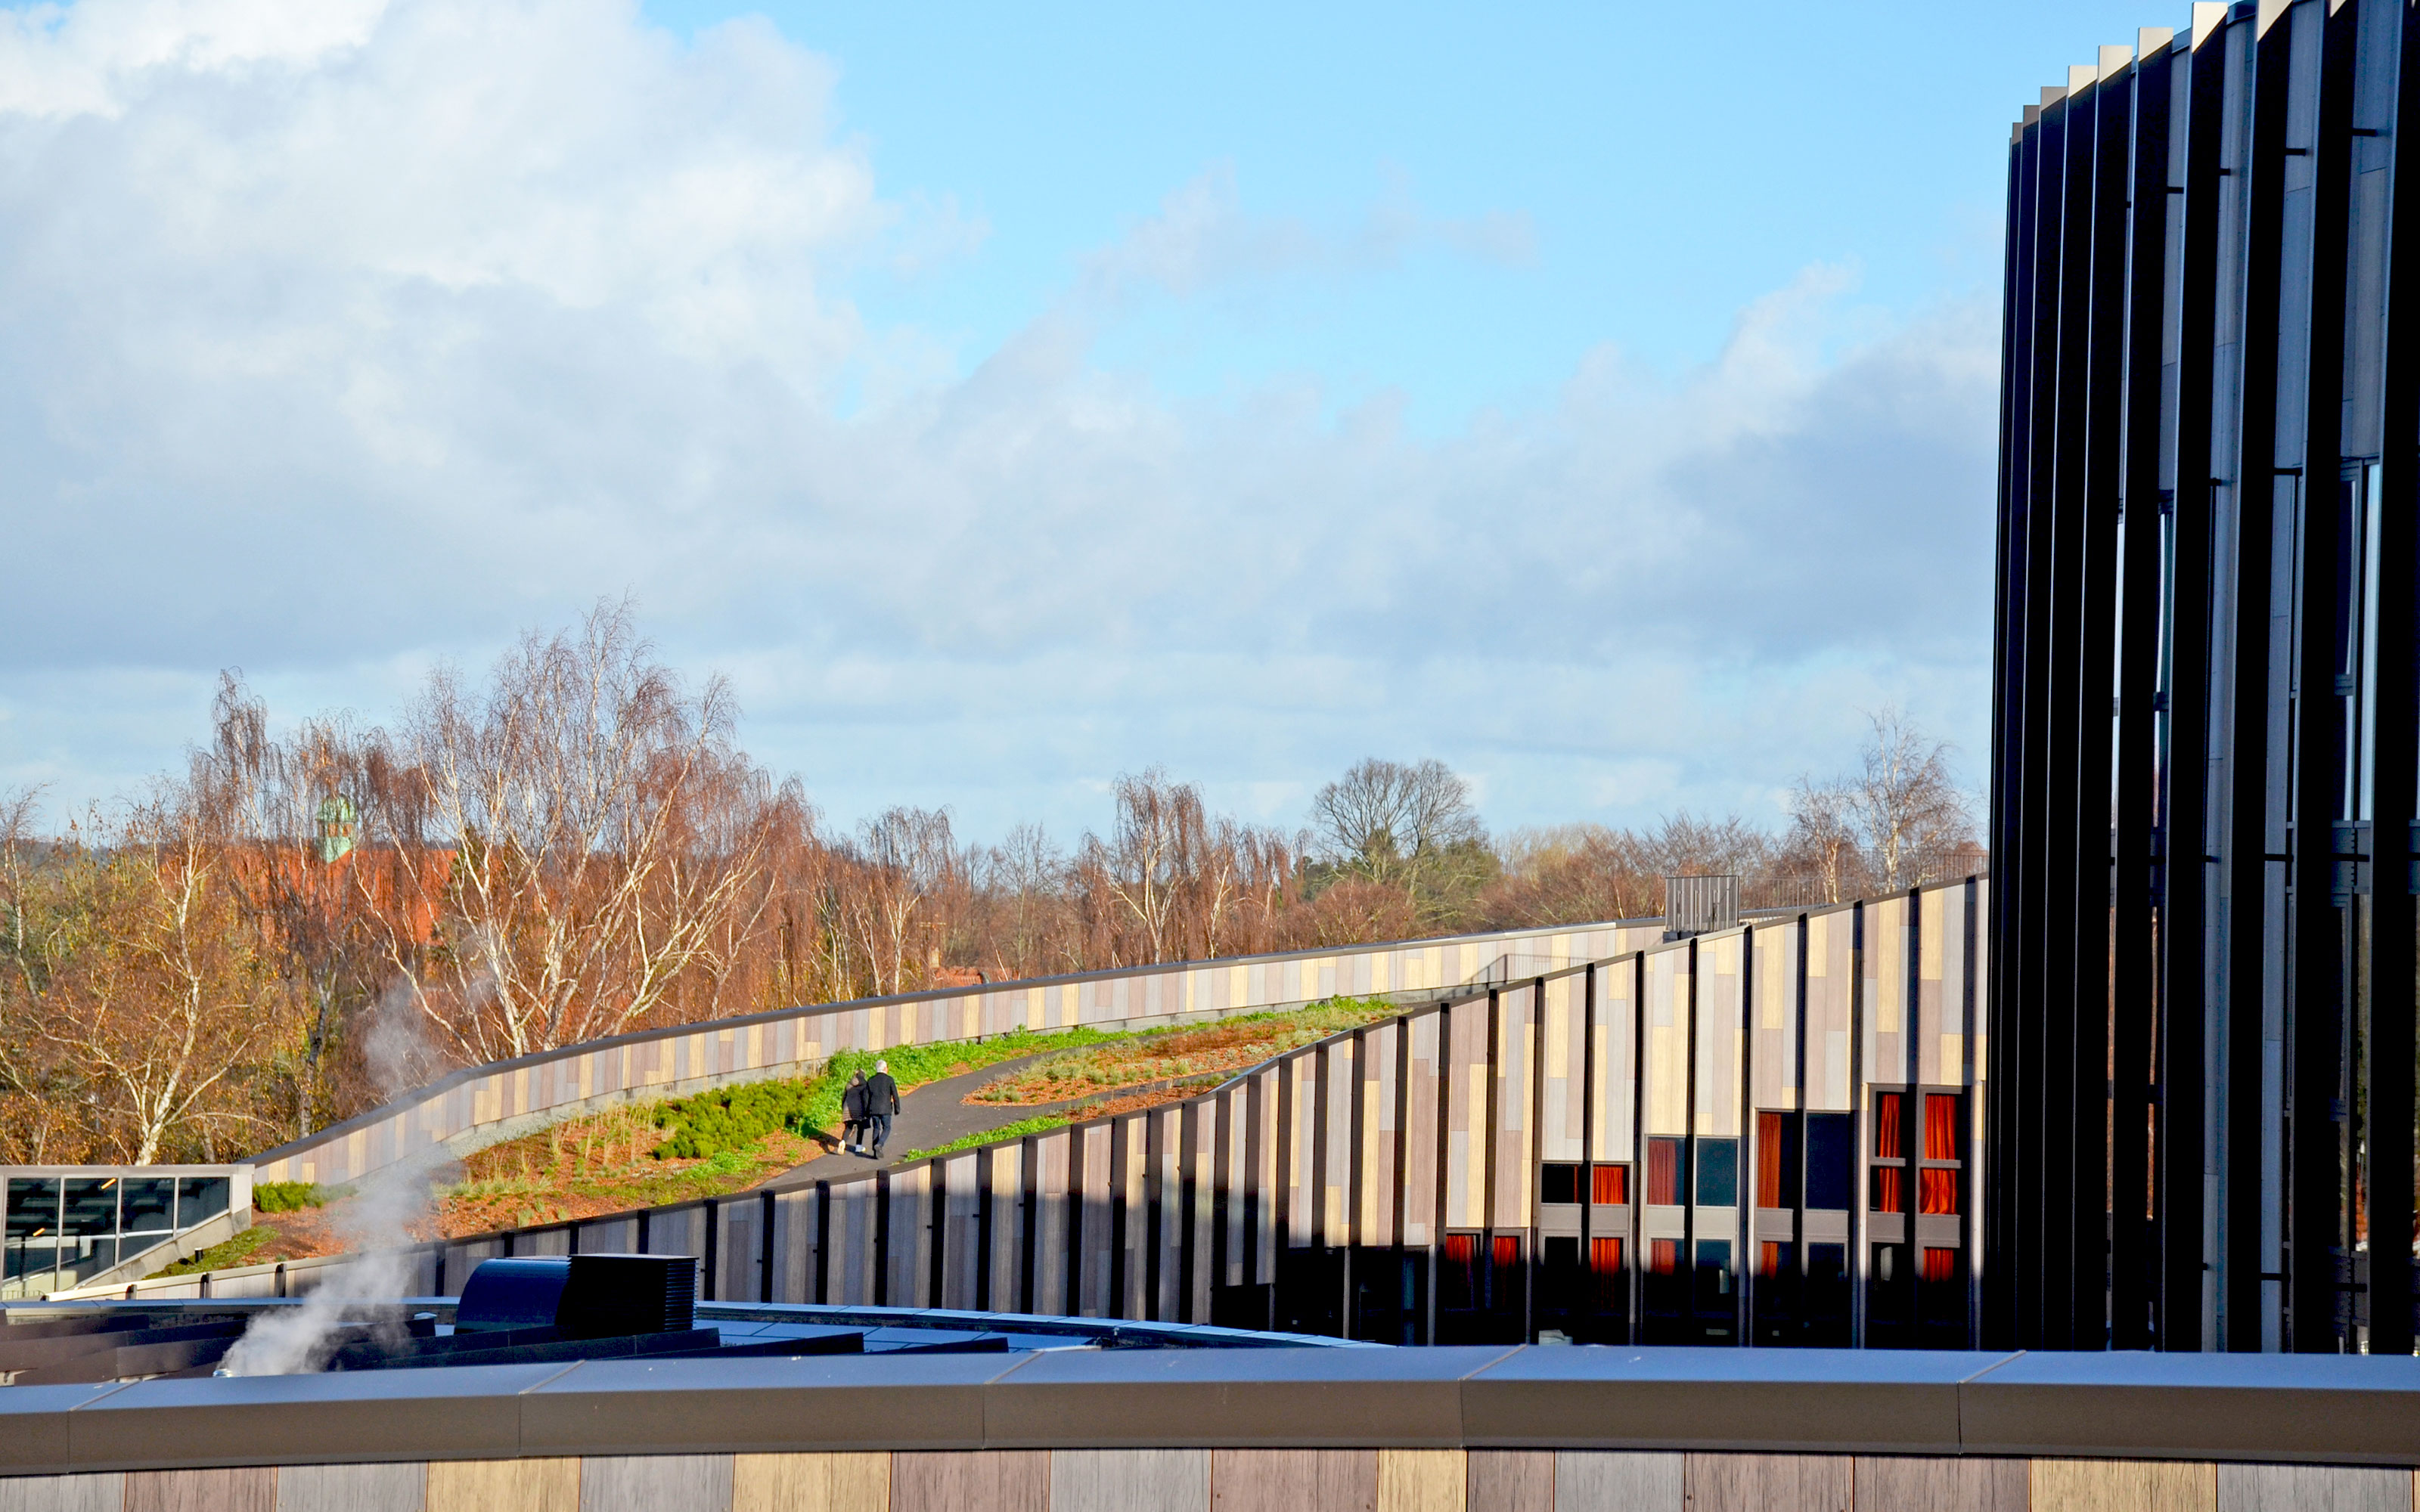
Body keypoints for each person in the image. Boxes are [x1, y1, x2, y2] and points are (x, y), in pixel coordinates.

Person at [864, 1060, 901, 1160]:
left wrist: (867, 1112)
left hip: (873, 1109)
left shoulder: (871, 1080)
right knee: (887, 1128)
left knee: (876, 1128)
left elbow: (866, 1098)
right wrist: (897, 1108)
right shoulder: (889, 1080)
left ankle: (875, 1152)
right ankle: (880, 1144)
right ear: (885, 1069)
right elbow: (895, 1095)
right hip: (886, 1109)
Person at [841, 1070, 869, 1155]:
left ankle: (843, 1141)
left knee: (849, 1127)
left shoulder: (849, 1085)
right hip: (859, 1109)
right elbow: (865, 1098)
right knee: (860, 1127)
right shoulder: (864, 1085)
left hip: (848, 1108)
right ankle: (858, 1146)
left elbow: (843, 1098)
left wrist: (843, 1108)